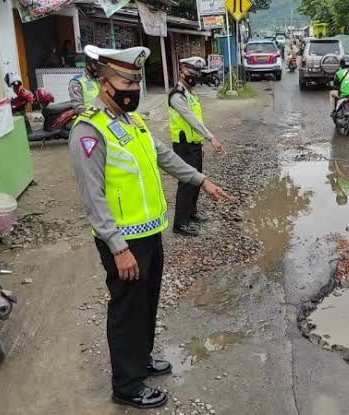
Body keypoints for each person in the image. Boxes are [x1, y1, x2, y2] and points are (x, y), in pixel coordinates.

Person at [68, 45, 232, 410]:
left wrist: (201, 181)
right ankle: (126, 386)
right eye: (125, 80)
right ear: (104, 82)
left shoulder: (133, 122)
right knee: (127, 311)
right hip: (123, 241)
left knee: (146, 304)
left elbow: (165, 158)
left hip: (149, 234)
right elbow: (93, 199)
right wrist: (117, 246)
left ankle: (140, 359)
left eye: (135, 81)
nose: (132, 88)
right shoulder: (88, 133)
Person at [169, 57, 225, 237]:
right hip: (183, 146)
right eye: (190, 73)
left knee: (196, 181)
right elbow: (191, 121)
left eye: (196, 74)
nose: (194, 77)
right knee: (186, 183)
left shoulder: (191, 95)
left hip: (193, 145)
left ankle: (191, 214)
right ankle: (180, 223)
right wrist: (211, 138)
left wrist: (200, 144)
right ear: (181, 72)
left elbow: (197, 120)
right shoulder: (177, 96)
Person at [69, 48, 101, 114]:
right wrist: (98, 111)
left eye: (100, 65)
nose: (99, 68)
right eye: (96, 65)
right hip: (88, 119)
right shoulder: (77, 82)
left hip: (105, 118)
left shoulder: (101, 79)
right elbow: (78, 108)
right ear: (88, 64)